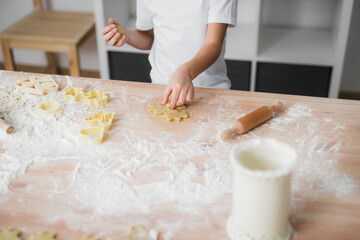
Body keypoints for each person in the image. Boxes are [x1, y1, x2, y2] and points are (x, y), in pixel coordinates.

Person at [102, 0, 238, 109]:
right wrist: (129, 36)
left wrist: (186, 72)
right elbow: (149, 38)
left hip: (209, 89)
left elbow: (213, 45)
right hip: (162, 87)